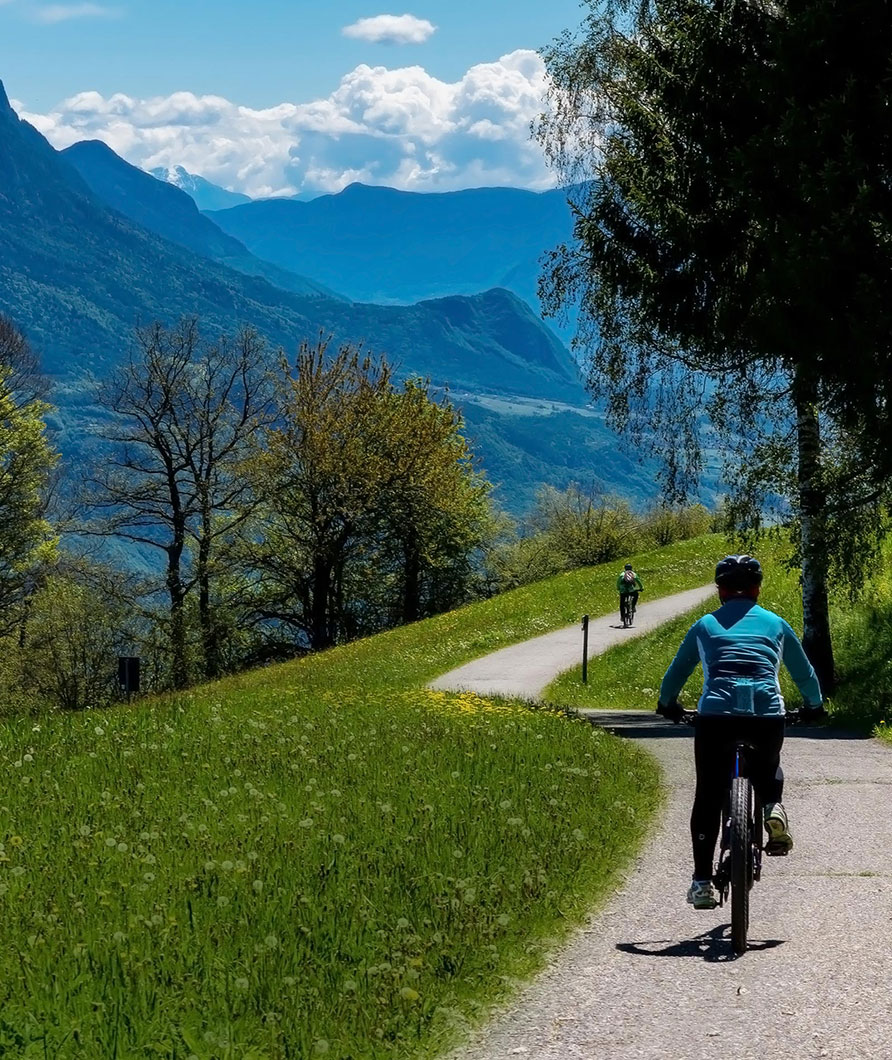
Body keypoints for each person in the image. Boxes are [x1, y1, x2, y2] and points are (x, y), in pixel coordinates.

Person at [656, 554, 825, 910]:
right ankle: (772, 808)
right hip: (766, 715)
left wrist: (667, 703)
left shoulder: (705, 625)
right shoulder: (776, 623)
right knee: (769, 766)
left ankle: (702, 883)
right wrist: (814, 705)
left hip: (716, 717)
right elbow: (803, 672)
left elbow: (677, 670)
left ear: (720, 590)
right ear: (757, 589)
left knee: (708, 795)